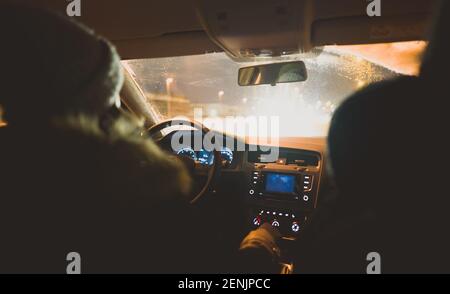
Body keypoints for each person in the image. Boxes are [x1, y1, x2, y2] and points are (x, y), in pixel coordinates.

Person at [0, 2, 280, 273]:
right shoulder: (136, 193)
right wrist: (261, 241)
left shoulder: (19, 175)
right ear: (99, 108)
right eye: (113, 101)